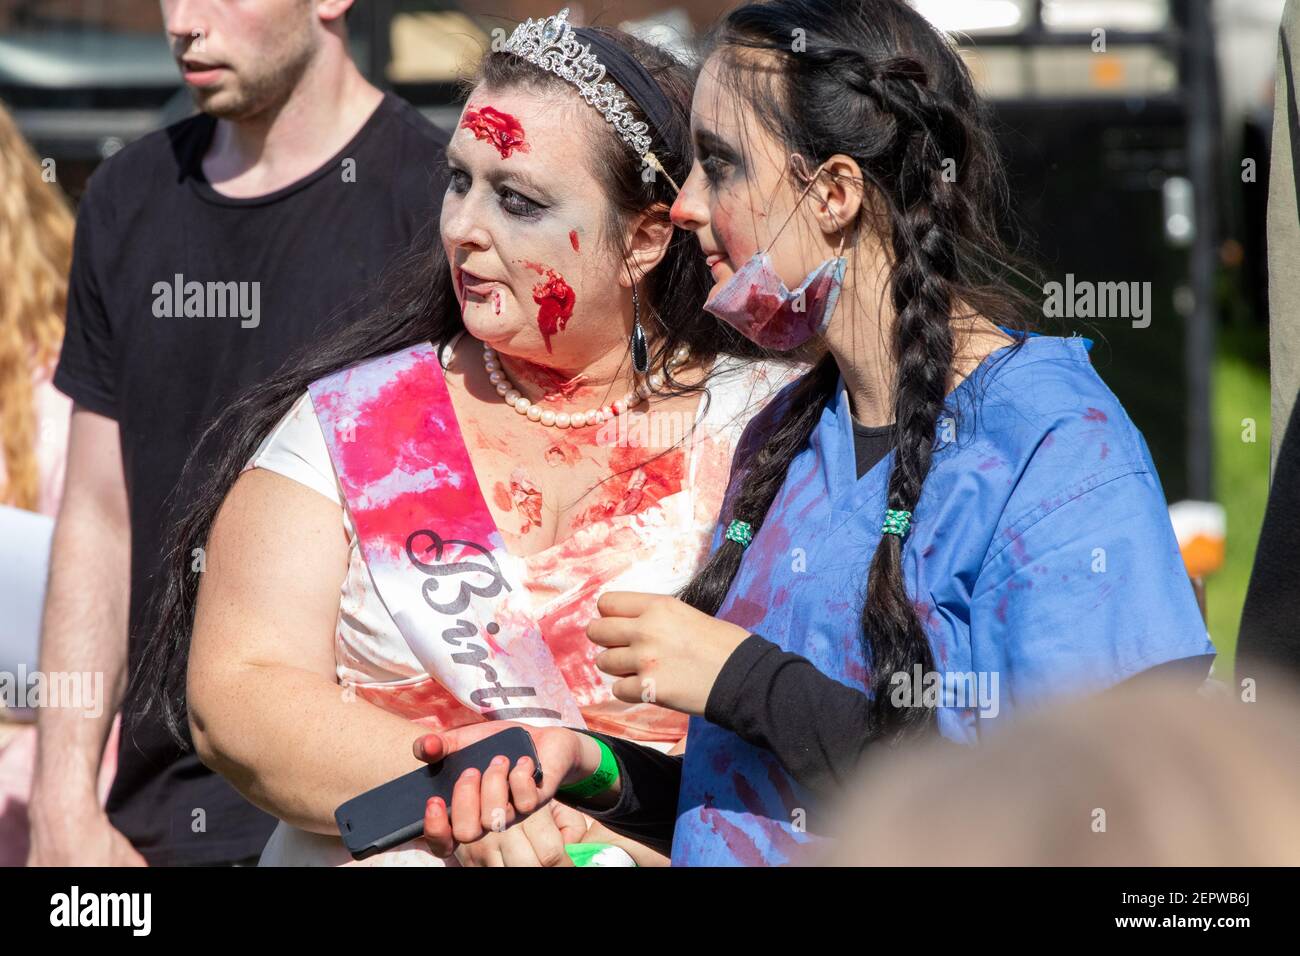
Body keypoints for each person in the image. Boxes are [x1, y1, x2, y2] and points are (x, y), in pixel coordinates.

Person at [418, 0, 1217, 867]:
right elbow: (770, 795)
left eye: (719, 166)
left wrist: (745, 679)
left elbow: (1084, 813)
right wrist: (602, 778)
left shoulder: (1055, 445)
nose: (684, 205)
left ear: (834, 194)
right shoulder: (790, 431)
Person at [139, 8, 797, 867]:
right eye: (459, 182)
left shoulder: (771, 431)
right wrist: (479, 803)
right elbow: (239, 696)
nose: (462, 228)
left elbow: (821, 724)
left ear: (642, 239)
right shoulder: (350, 422)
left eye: (517, 199)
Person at [29, 0, 450, 867]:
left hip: (362, 812)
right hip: (142, 825)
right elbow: (99, 516)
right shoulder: (125, 196)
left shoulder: (438, 205)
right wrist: (62, 801)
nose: (182, 22)